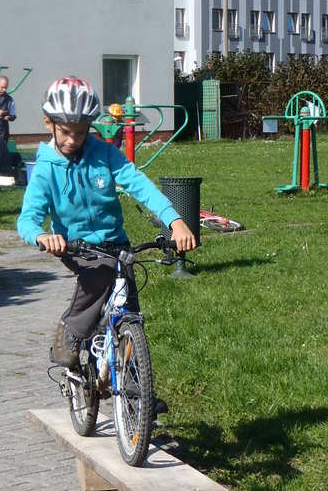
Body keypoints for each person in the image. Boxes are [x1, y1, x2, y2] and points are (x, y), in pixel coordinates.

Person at [17, 77, 196, 370]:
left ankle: (137, 388)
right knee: (100, 274)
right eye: (65, 132)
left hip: (115, 241)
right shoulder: (45, 170)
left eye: (81, 132)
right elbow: (28, 219)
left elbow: (139, 185)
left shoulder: (104, 155)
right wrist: (41, 236)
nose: (73, 140)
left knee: (130, 308)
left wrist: (174, 220)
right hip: (77, 246)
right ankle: (71, 332)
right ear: (48, 123)